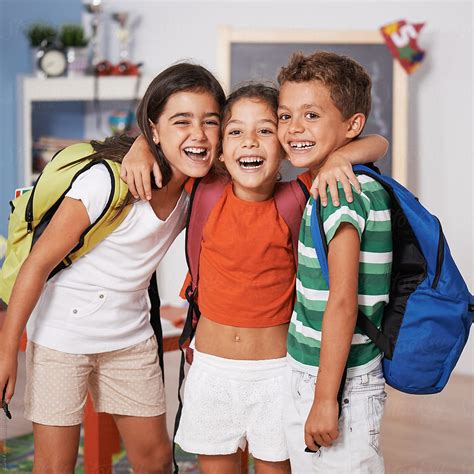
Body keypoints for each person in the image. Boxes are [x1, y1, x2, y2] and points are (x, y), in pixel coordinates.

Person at [122, 81, 388, 473]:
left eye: (264, 130)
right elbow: (169, 143)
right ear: (221, 151)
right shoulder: (205, 188)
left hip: (278, 375)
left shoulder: (301, 194)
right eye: (235, 132)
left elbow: (378, 142)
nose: (249, 142)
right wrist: (140, 144)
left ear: (284, 145)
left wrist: (338, 159)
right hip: (211, 371)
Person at [0, 62, 225, 474]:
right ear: (154, 130)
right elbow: (37, 264)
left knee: (156, 461)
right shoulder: (107, 182)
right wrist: (5, 351)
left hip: (130, 339)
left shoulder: (200, 187)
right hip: (60, 338)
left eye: (210, 121)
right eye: (181, 121)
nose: (198, 133)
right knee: (55, 466)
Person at [278, 51, 392, 473]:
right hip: (332, 373)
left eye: (311, 115)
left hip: (339, 382)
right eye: (285, 116)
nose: (294, 129)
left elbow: (343, 301)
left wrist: (325, 399)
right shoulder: (350, 178)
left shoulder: (340, 192)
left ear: (351, 125)